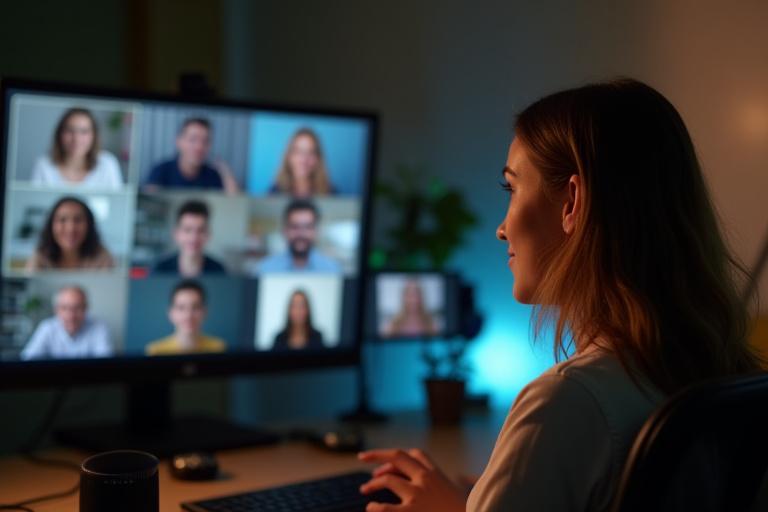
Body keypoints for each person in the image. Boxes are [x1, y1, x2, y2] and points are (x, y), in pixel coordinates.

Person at [356, 79, 762, 511]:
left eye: (511, 189)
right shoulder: (724, 374)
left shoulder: (565, 403)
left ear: (572, 202)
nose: (501, 228)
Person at [30, 108, 123, 189]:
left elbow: (117, 204)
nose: (76, 139)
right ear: (60, 134)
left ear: (94, 136)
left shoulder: (108, 164)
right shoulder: (43, 164)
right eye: (70, 130)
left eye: (84, 131)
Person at [144, 118, 240, 194]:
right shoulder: (160, 171)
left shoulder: (213, 175)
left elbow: (234, 202)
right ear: (179, 141)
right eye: (193, 139)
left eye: (205, 141)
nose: (199, 147)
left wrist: (225, 170)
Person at [21, 286, 113, 360]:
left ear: (86, 308)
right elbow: (28, 359)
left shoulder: (99, 327)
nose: (71, 316)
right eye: (64, 308)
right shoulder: (47, 327)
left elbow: (106, 363)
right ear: (56, 310)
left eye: (77, 308)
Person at [26, 196, 114, 271]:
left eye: (78, 220)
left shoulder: (103, 258)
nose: (70, 229)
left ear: (89, 225)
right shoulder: (40, 256)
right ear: (51, 225)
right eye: (62, 220)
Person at [257, 199, 341, 273]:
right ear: (285, 231)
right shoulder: (265, 269)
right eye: (295, 227)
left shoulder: (332, 269)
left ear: (316, 231)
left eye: (307, 227)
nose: (301, 233)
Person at [145, 279, 226, 356]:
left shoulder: (219, 348)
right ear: (170, 313)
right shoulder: (155, 351)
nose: (188, 315)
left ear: (205, 312)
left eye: (196, 307)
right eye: (181, 308)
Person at [152, 200, 227, 277]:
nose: (194, 237)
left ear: (208, 235)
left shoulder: (219, 271)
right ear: (176, 234)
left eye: (201, 230)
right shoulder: (159, 270)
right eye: (187, 230)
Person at [269, 128, 336, 197]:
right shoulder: (275, 192)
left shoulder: (331, 192)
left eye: (311, 152)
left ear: (318, 158)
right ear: (289, 156)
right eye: (298, 152)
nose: (304, 160)